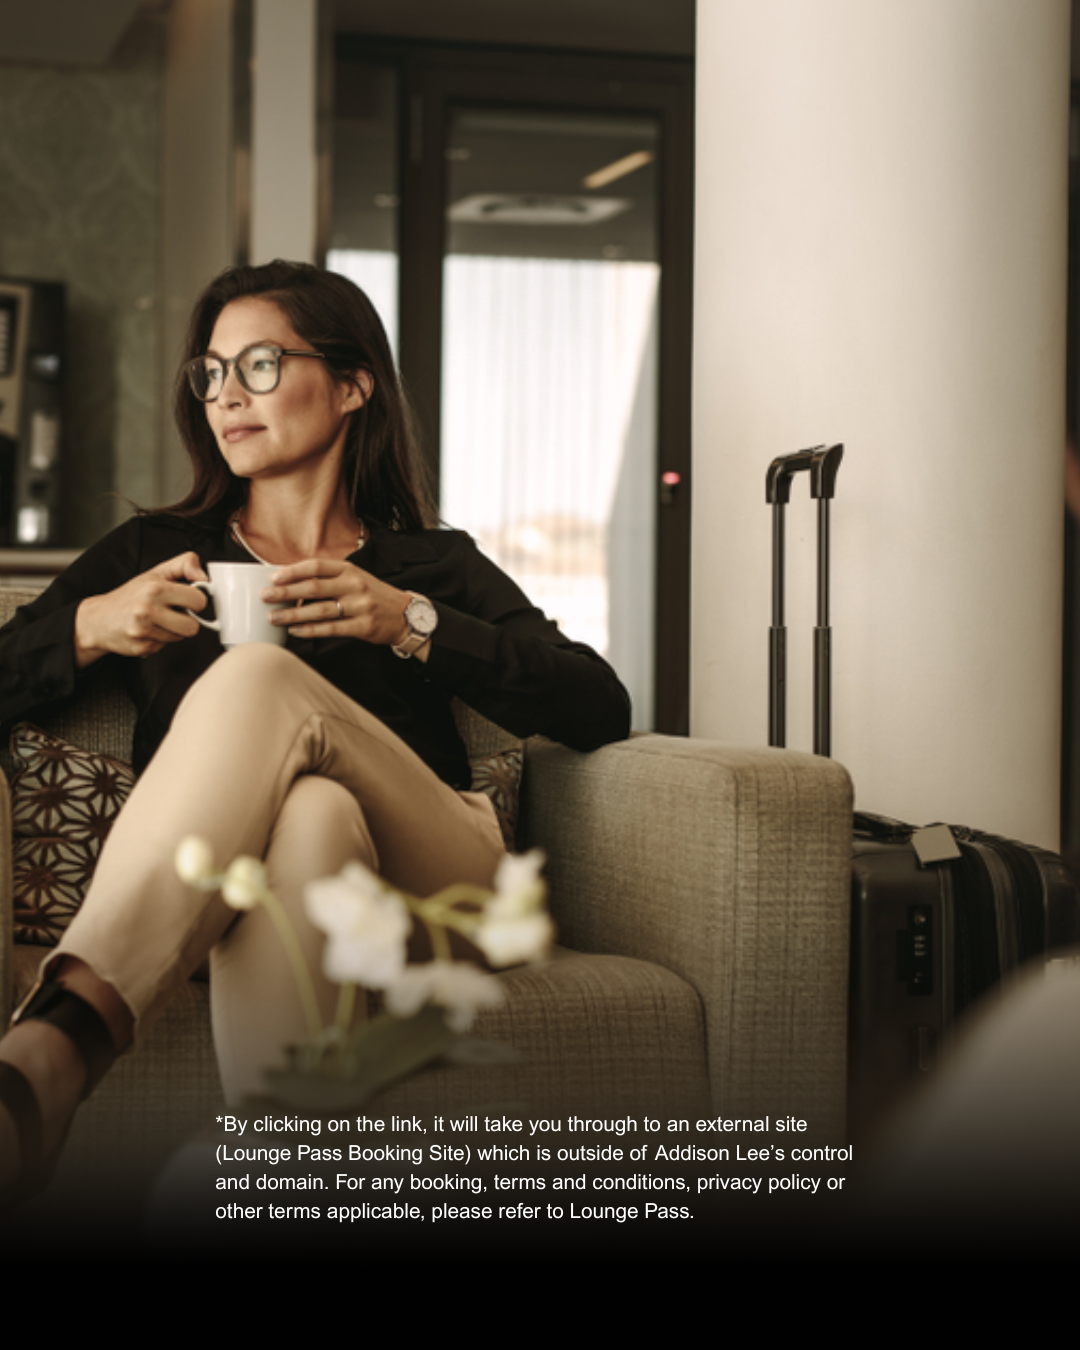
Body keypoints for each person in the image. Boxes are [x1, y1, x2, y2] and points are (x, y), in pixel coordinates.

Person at [0, 260, 631, 1208]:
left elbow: (598, 704)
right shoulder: (151, 554)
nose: (226, 396)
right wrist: (94, 625)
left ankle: (62, 1037)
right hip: (260, 883)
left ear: (350, 385)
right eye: (210, 373)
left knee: (256, 673)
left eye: (258, 365)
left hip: (437, 877)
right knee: (309, 812)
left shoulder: (428, 564)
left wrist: (408, 623)